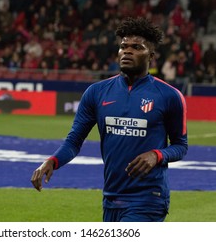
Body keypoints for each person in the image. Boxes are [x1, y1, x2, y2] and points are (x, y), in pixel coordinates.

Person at [31, 17, 188, 222]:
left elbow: (180, 146)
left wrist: (156, 155)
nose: (127, 51)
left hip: (148, 199)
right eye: (123, 46)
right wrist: (52, 161)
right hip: (111, 198)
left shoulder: (169, 96)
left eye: (136, 47)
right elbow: (74, 141)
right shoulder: (97, 92)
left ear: (151, 55)